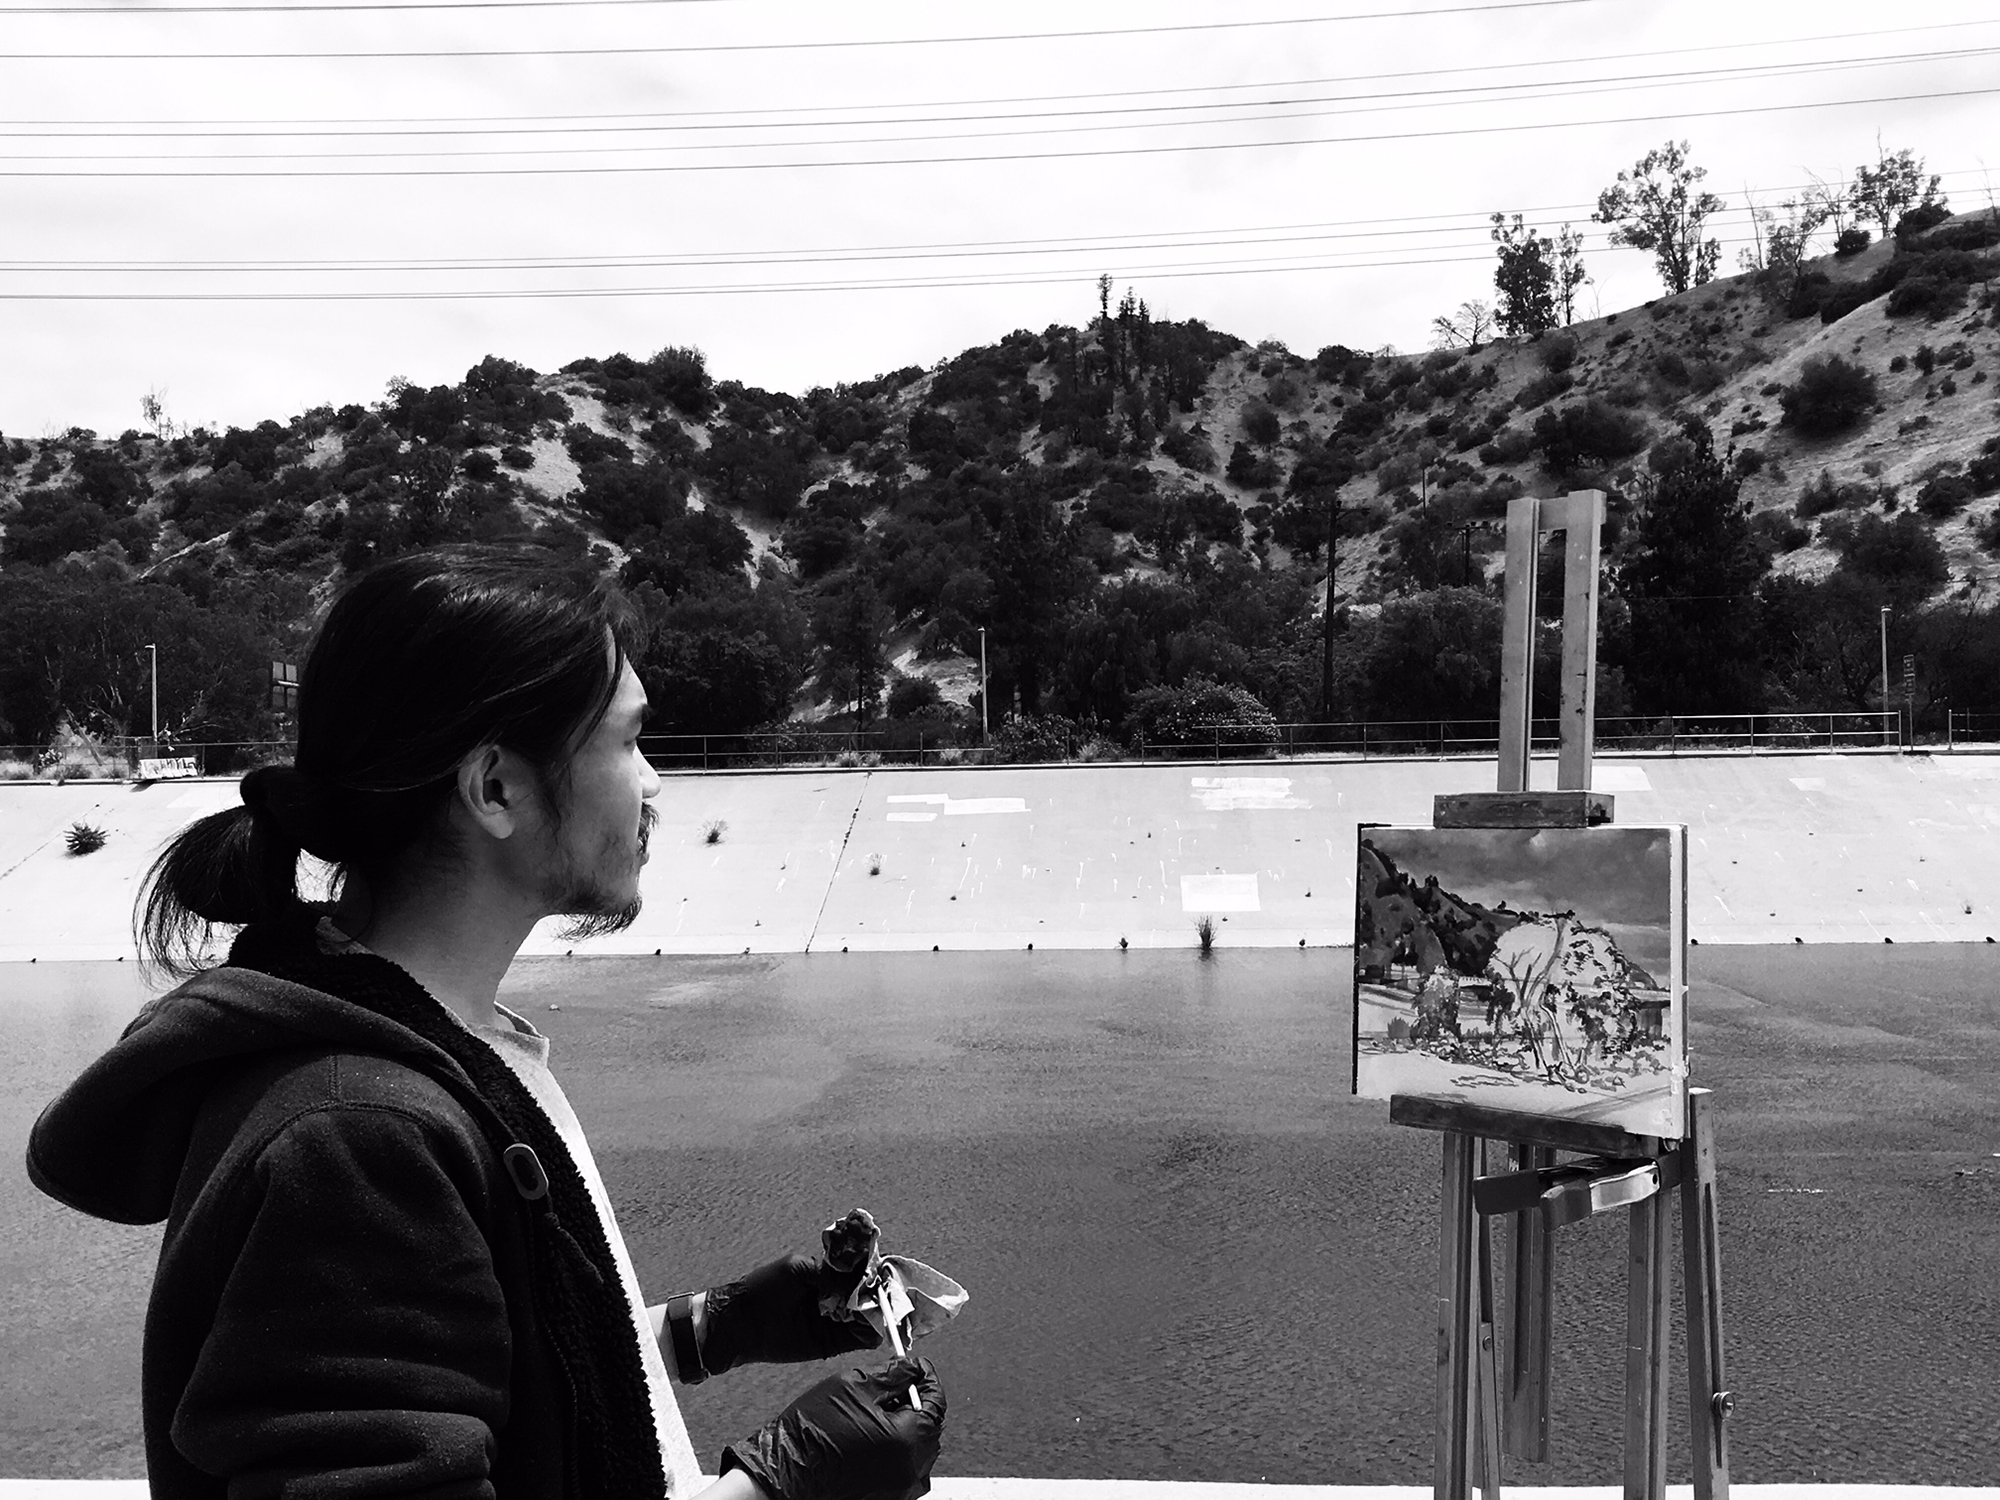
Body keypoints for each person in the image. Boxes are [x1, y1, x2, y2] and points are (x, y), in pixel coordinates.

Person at [27, 546, 946, 1500]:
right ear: (496, 789)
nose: (654, 783)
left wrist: (715, 1328)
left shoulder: (443, 1051)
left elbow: (499, 1383)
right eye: (630, 741)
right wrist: (778, 1490)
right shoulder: (359, 1136)